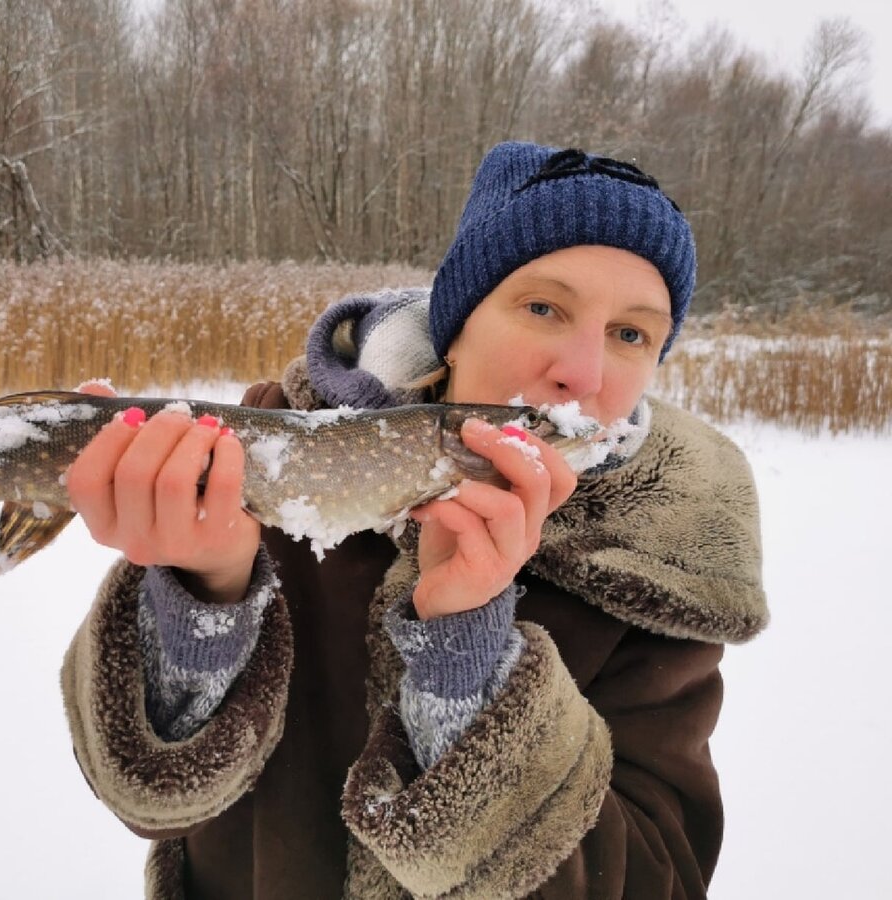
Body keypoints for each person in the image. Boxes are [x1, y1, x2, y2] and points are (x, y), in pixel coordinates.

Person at [59, 141, 768, 899]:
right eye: (542, 307)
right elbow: (147, 795)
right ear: (456, 327)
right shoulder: (266, 452)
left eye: (632, 334)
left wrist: (468, 659)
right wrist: (204, 593)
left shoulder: (659, 561)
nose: (584, 373)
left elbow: (653, 883)